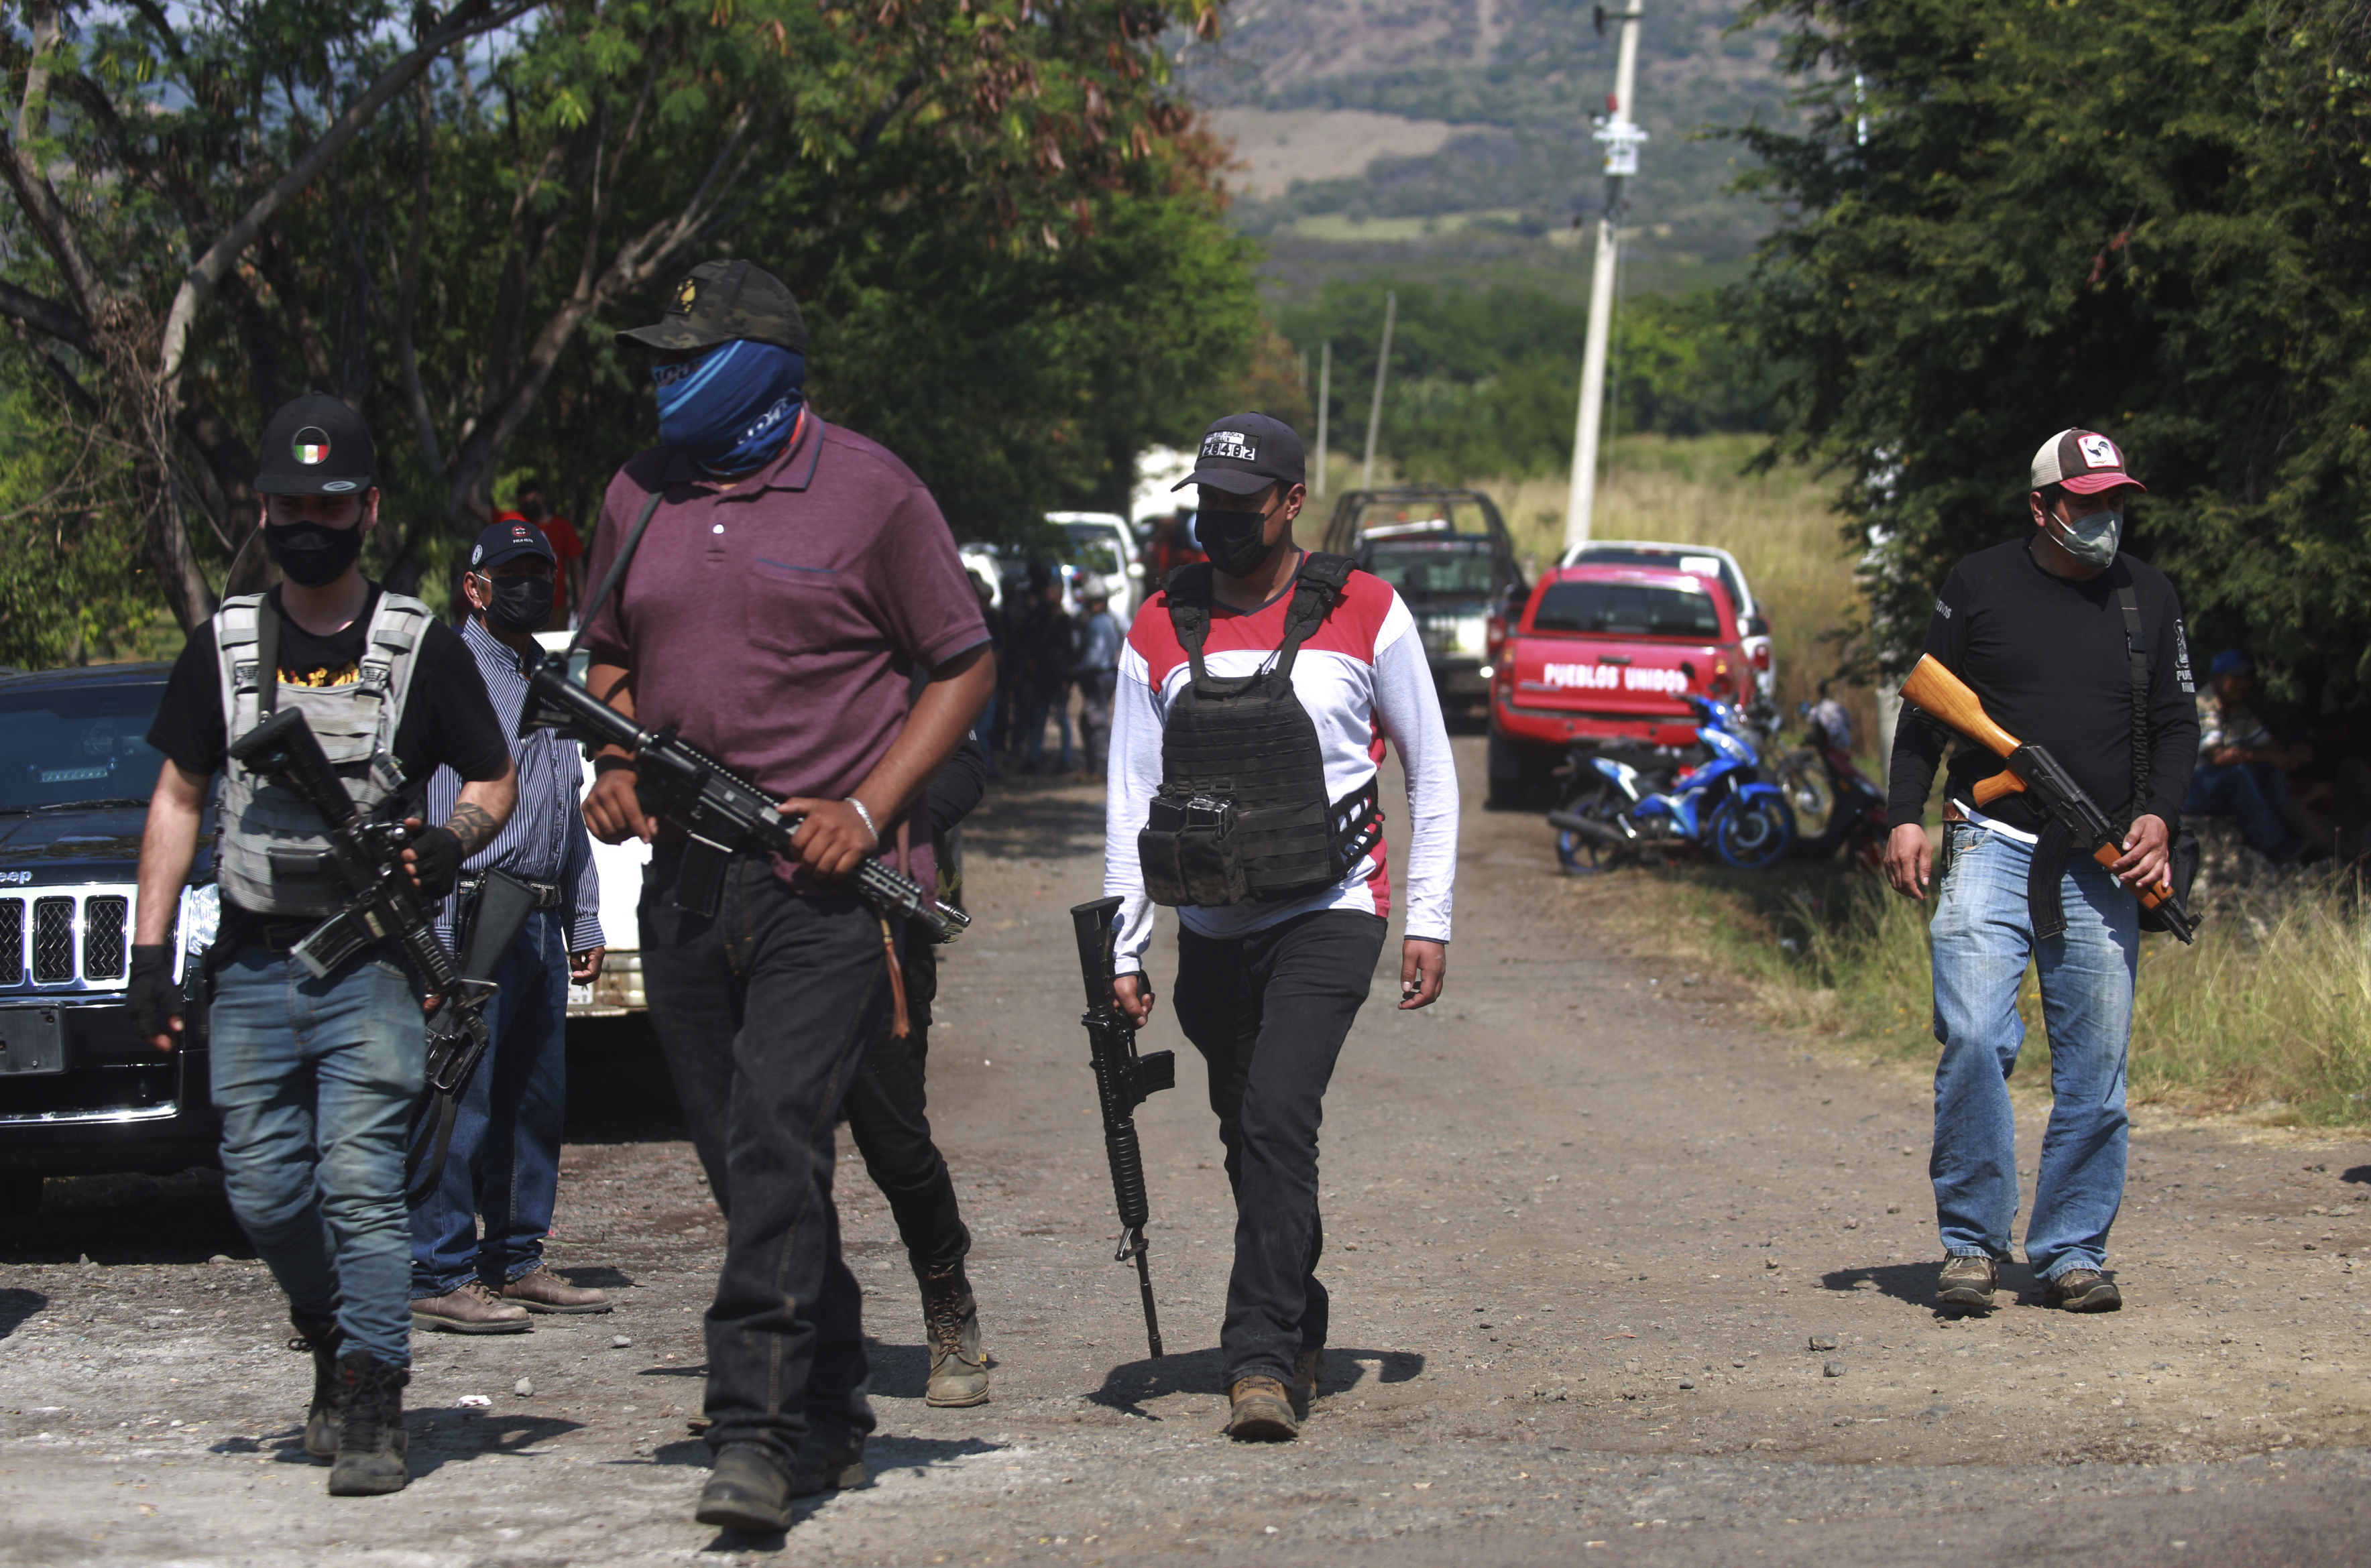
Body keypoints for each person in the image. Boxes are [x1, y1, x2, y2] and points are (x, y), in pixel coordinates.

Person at [575, 259, 993, 1532]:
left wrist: (865, 809)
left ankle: (751, 1430)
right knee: (748, 1160)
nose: (657, 377)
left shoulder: (872, 493)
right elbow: (607, 653)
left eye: (681, 355)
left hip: (832, 896)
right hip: (687, 887)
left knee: (776, 1137)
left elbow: (963, 665)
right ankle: (831, 1407)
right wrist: (612, 755)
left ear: (757, 365)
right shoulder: (636, 493)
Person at [127, 394, 518, 1496]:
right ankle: (330, 1331)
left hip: (374, 970)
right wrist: (148, 957)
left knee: (358, 1181)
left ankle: (374, 1393)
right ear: (260, 510)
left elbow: (496, 777)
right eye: (290, 502)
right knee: (262, 1188)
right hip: (252, 964)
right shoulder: (224, 645)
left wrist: (448, 845)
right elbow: (177, 795)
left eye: (329, 501)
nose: (310, 519)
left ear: (366, 509)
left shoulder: (418, 644)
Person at [1102, 412, 1458, 1442]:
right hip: (1214, 925)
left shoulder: (1366, 610)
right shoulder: (1159, 625)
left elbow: (1431, 771)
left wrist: (1426, 916)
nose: (1219, 522)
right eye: (1205, 504)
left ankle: (1257, 1356)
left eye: (1239, 505)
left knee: (1275, 1118)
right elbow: (1129, 799)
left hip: (1330, 909)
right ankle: (1302, 1307)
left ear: (1291, 501)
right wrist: (1125, 944)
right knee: (1247, 1134)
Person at [1884, 428, 2198, 1316]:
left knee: (2096, 1067)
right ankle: (1974, 1244)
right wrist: (1905, 812)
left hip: (2104, 862)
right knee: (1977, 1034)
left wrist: (2159, 818)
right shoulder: (1978, 583)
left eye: (2115, 501)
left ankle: (2072, 1251)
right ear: (2042, 505)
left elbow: (2178, 724)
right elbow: (1926, 712)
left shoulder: (2149, 594)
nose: (2105, 517)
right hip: (1989, 839)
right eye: (2087, 501)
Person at [406, 520, 612, 1333]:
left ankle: (516, 1258)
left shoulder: (546, 678)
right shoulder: (448, 669)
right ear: (475, 585)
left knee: (534, 1096)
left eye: (544, 571)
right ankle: (440, 1266)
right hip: (468, 906)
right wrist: (429, 928)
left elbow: (565, 806)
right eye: (514, 572)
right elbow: (431, 804)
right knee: (462, 1094)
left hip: (539, 911)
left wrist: (584, 910)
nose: (533, 585)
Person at [840, 743, 994, 1409]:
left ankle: (946, 1295)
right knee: (766, 1142)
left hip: (876, 927)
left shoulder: (888, 649)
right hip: (761, 920)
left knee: (895, 1142)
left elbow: (964, 765)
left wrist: (873, 818)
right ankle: (767, 1345)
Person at [2185, 649, 2314, 863]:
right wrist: (2269, 755)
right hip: (2193, 788)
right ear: (2218, 679)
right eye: (2236, 678)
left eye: (2246, 678)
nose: (2243, 684)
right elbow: (2218, 757)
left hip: (2218, 785)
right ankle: (2273, 844)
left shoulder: (2239, 711)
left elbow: (2268, 746)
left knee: (2272, 769)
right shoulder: (2204, 705)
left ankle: (2279, 831)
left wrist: (2285, 756)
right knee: (2239, 774)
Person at [492, 477, 587, 626]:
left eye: (533, 499)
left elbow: (577, 563)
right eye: (525, 502)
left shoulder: (562, 526)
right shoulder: (517, 522)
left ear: (542, 496)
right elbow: (483, 512)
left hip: (556, 606)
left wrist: (581, 599)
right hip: (523, 604)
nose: (530, 505)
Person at [1014, 568, 1077, 773]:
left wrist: (1066, 678)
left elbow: (1069, 652)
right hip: (1042, 679)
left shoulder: (1065, 621)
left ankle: (1065, 760)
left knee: (1063, 721)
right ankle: (1033, 759)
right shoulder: (1041, 619)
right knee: (1038, 720)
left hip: (1057, 680)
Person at [1073, 586, 1122, 775]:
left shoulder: (1098, 624)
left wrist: (1075, 669)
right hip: (1106, 674)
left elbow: (1093, 659)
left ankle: (1103, 768)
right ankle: (1093, 766)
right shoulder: (1109, 620)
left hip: (1099, 676)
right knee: (1087, 721)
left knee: (1097, 721)